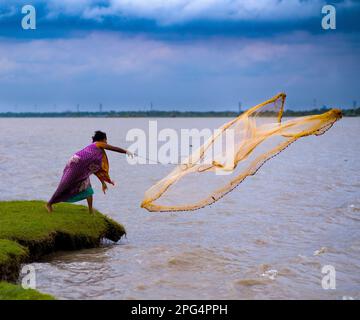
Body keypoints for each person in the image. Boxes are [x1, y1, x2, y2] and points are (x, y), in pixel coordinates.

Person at [46, 131, 133, 213]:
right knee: (65, 185)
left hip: (83, 168)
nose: (106, 142)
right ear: (102, 139)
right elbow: (113, 148)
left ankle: (90, 211)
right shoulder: (98, 144)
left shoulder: (97, 153)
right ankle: (49, 204)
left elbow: (95, 169)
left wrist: (103, 183)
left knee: (88, 189)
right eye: (106, 139)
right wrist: (126, 151)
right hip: (75, 164)